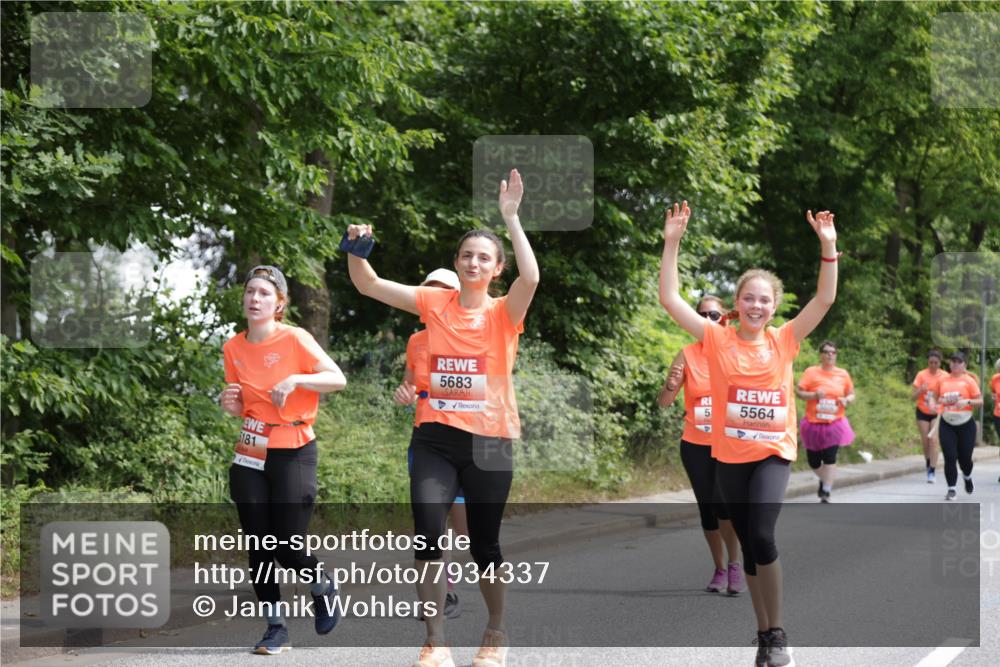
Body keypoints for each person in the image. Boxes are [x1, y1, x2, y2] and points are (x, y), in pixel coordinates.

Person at [345, 168, 538, 667]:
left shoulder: (503, 314)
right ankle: (435, 641)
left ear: (496, 269)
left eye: (484, 257)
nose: (474, 262)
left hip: (490, 442)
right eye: (466, 255)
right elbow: (368, 284)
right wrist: (357, 249)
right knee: (428, 533)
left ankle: (495, 632)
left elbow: (532, 278)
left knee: (484, 545)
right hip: (435, 438)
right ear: (456, 262)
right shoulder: (435, 302)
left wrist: (511, 219)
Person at [660, 200, 838, 667]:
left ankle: (777, 632)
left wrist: (828, 248)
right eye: (748, 298)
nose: (756, 306)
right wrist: (672, 243)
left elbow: (824, 299)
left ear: (774, 307)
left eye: (764, 300)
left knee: (760, 533)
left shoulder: (785, 339)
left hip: (772, 452)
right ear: (736, 304)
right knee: (750, 542)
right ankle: (763, 633)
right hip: (728, 457)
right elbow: (671, 300)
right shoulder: (716, 338)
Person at [220, 265, 348, 654]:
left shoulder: (295, 338)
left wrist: (297, 380)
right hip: (252, 449)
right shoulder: (233, 348)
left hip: (294, 446)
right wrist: (230, 404)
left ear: (279, 303)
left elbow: (337, 378)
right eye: (250, 292)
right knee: (259, 543)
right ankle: (276, 627)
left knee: (288, 545)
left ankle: (322, 586)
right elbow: (241, 404)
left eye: (264, 293)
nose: (255, 298)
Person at [392, 268, 468, 620]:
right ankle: (443, 594)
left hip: (467, 441)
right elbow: (410, 386)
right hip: (427, 441)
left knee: (466, 529)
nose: (436, 299)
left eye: (444, 292)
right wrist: (405, 395)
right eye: (429, 292)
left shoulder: (473, 335)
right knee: (431, 523)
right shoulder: (416, 341)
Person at [657, 295, 745, 595]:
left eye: (714, 315)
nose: (708, 319)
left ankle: (735, 564)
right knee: (708, 510)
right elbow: (665, 402)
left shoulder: (737, 353)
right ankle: (719, 568)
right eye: (702, 314)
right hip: (695, 444)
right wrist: (670, 385)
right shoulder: (686, 355)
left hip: (729, 444)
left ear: (725, 318)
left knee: (725, 507)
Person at [795, 340, 856, 503]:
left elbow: (851, 394)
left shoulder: (842, 374)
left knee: (830, 457)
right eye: (827, 352)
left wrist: (847, 400)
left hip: (834, 423)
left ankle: (826, 491)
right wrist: (814, 395)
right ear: (821, 355)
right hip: (813, 423)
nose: (830, 355)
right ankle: (826, 479)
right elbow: (799, 392)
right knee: (814, 461)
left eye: (833, 352)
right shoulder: (811, 372)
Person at [927, 351, 983, 500]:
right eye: (953, 361)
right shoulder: (942, 380)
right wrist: (932, 404)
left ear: (964, 365)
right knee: (950, 456)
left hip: (966, 424)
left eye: (959, 362)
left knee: (965, 459)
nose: (955, 364)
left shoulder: (969, 381)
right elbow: (933, 396)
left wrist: (967, 402)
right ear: (949, 363)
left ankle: (967, 476)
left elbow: (980, 401)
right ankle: (951, 489)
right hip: (947, 423)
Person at [912, 350, 945, 482]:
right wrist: (920, 390)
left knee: (934, 440)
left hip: (937, 412)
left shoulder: (944, 376)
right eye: (931, 362)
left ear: (940, 363)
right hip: (922, 411)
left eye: (936, 363)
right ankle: (928, 463)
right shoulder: (921, 375)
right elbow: (912, 397)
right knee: (926, 440)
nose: (933, 365)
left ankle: (932, 470)